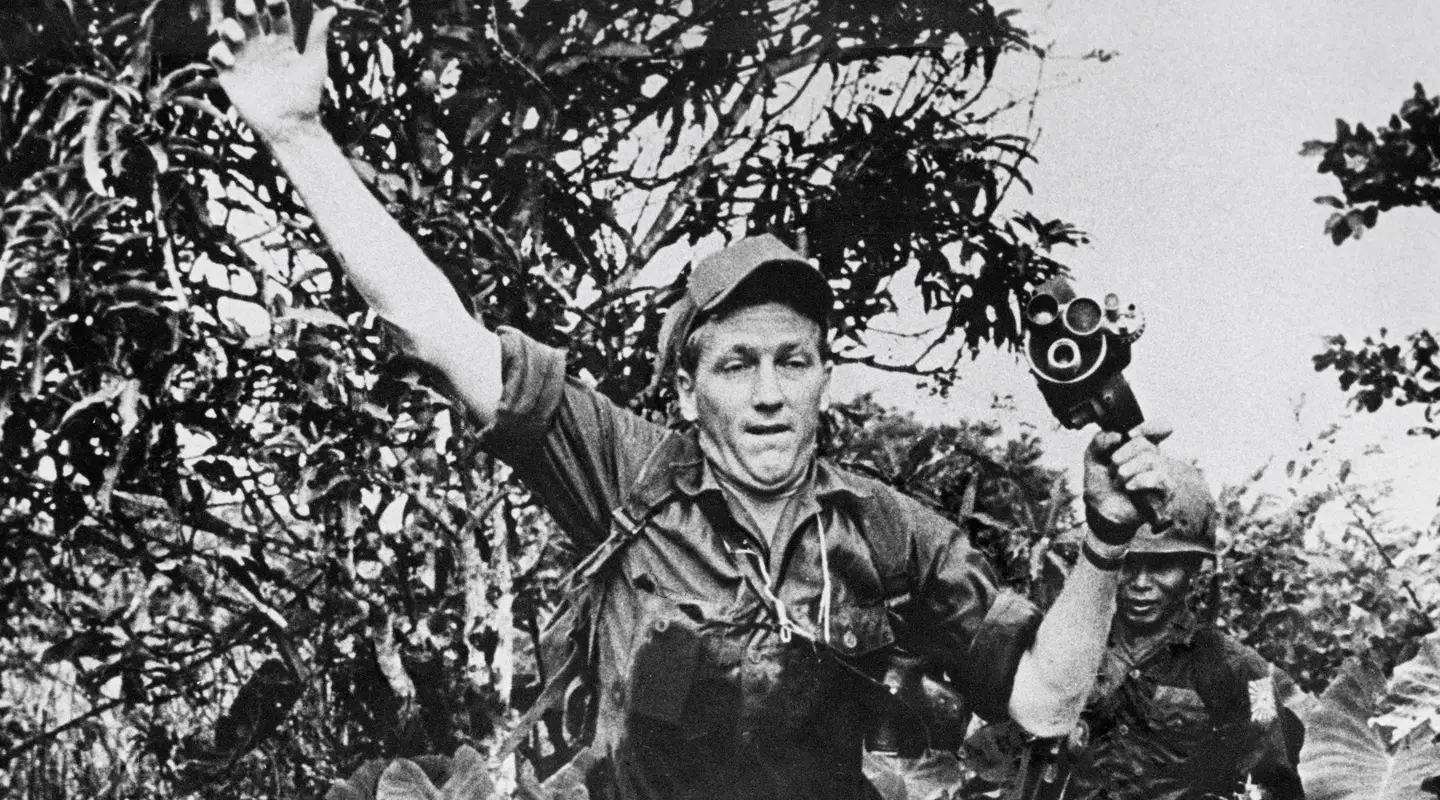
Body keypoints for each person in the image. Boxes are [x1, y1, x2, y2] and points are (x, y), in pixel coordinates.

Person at [206, 2, 1197, 798]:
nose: (768, 394)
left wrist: (1106, 542)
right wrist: (297, 136)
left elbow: (1041, 704)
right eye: (735, 365)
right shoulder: (627, 471)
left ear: (824, 375)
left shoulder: (887, 528)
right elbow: (439, 334)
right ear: (686, 389)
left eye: (793, 361)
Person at [1061, 461, 1304, 800]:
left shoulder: (1241, 670)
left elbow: (1273, 785)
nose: (1141, 583)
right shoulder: (1072, 649)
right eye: (1127, 564)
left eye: (1161, 566)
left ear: (1192, 565)